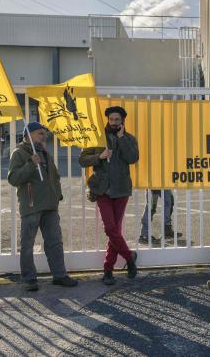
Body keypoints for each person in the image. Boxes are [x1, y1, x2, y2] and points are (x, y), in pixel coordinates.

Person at [7, 122, 78, 291]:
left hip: (50, 205)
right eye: (40, 133)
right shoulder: (19, 153)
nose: (44, 136)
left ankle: (59, 275)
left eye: (44, 133)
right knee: (27, 244)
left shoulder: (44, 151)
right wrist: (31, 164)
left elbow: (54, 175)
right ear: (28, 136)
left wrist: (57, 195)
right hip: (32, 205)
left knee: (55, 242)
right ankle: (29, 279)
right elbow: (13, 179)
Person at [79, 106, 139, 285]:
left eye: (117, 120)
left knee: (115, 231)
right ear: (107, 120)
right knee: (110, 229)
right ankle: (129, 258)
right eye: (111, 119)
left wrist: (121, 139)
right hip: (102, 190)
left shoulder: (128, 138)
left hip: (121, 190)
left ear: (122, 122)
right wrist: (100, 156)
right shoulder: (97, 138)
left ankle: (108, 270)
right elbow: (82, 160)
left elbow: (133, 158)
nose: (114, 122)